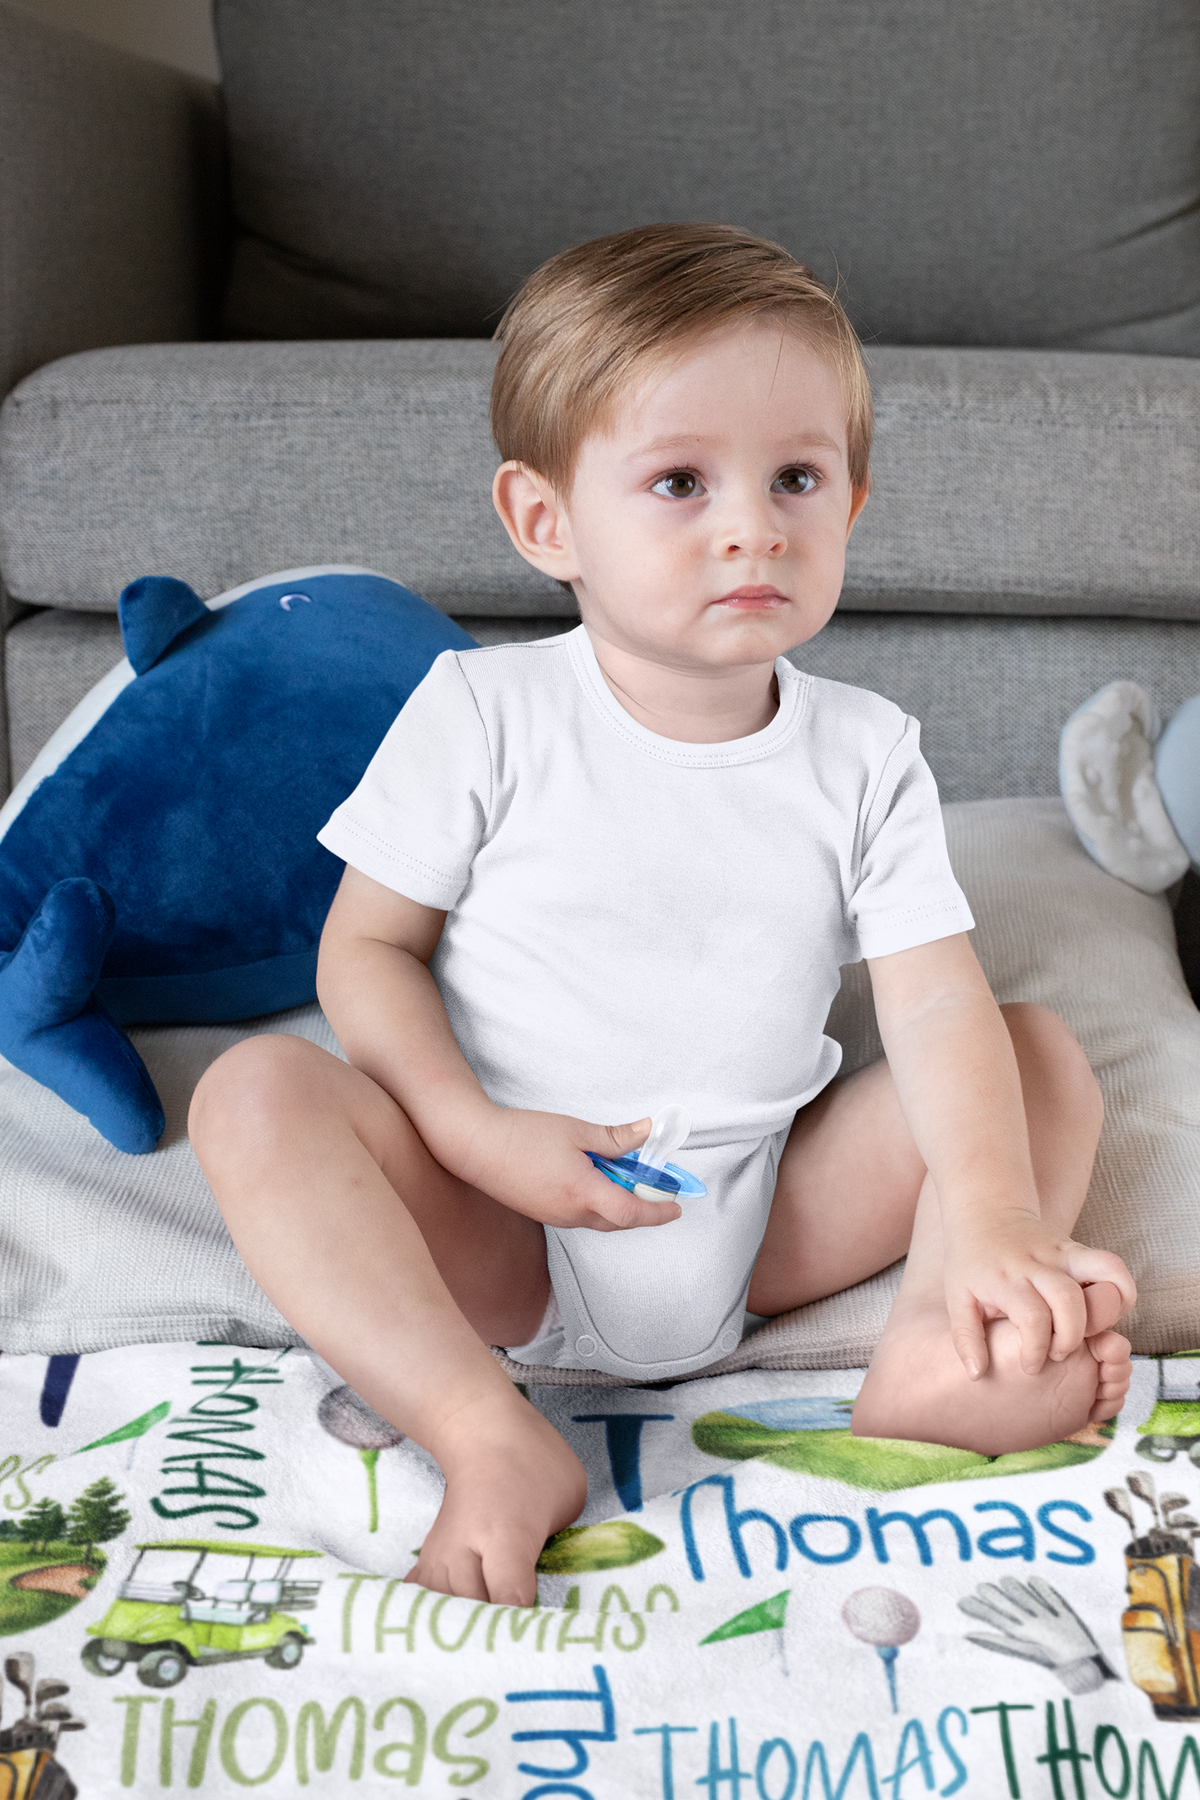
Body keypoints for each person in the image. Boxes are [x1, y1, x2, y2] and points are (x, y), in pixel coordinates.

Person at [189, 222, 1135, 1608]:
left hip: (762, 1220)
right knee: (257, 1093)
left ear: (854, 505)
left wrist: (992, 1214)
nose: (753, 523)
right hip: (505, 1225)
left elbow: (931, 1001)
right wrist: (479, 1138)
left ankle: (939, 1346)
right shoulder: (485, 715)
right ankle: (483, 1430)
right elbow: (368, 952)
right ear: (544, 521)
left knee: (1030, 1050)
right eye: (682, 481)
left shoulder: (866, 751)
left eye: (797, 477)